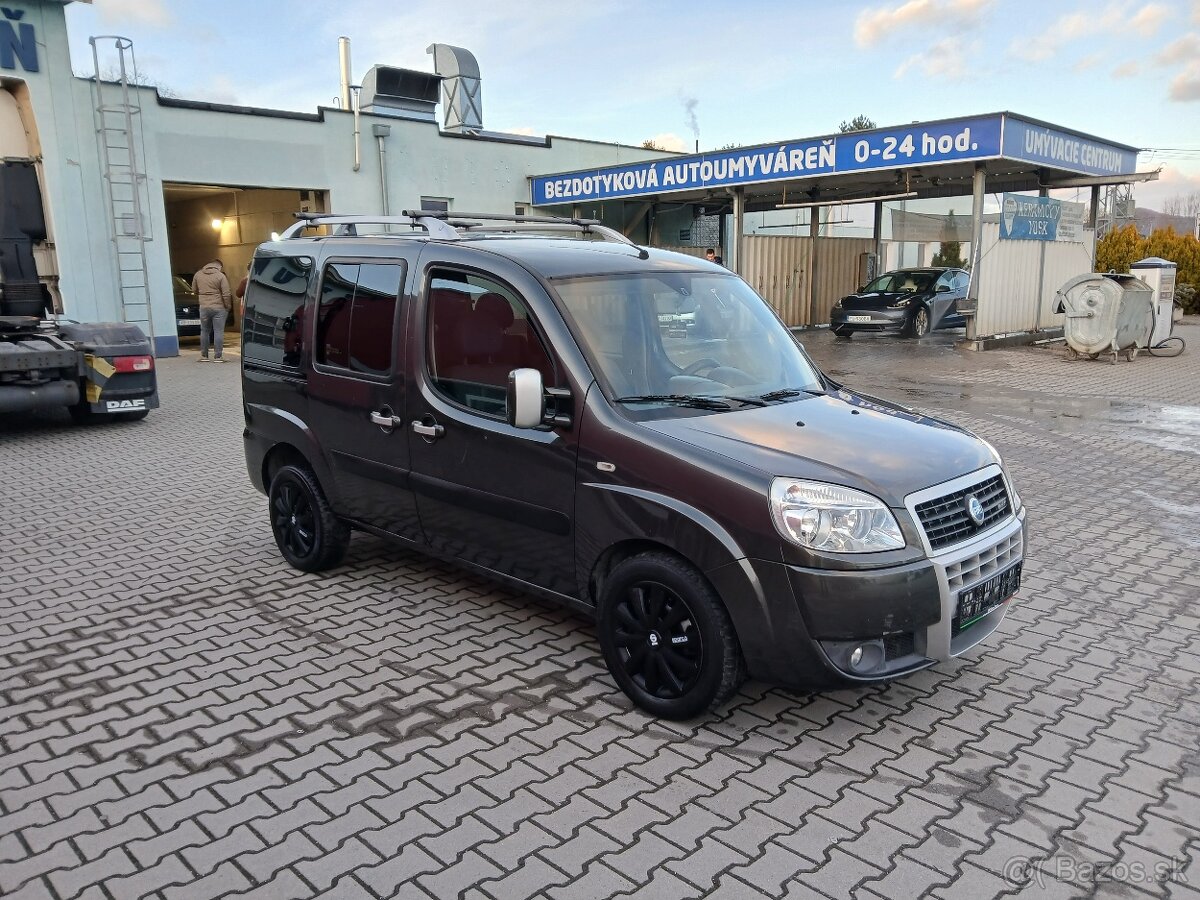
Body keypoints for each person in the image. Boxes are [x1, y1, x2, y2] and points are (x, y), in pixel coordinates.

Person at [191, 260, 232, 362]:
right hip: (219, 308)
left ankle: (204, 356)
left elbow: (194, 290)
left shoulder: (198, 274)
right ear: (219, 266)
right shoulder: (221, 276)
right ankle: (218, 356)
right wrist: (227, 306)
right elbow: (226, 293)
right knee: (218, 331)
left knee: (204, 331)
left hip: (204, 307)